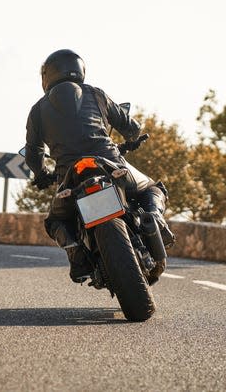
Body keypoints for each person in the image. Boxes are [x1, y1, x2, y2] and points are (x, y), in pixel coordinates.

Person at [24, 49, 173, 283]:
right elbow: (130, 126)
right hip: (110, 162)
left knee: (56, 221)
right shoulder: (95, 94)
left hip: (69, 176)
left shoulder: (38, 110)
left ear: (47, 76)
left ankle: (76, 254)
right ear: (80, 69)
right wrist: (132, 139)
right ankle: (154, 218)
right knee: (152, 189)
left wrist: (42, 174)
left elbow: (33, 153)